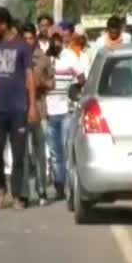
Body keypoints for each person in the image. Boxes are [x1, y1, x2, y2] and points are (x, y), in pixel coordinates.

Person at [0, 7, 38, 210]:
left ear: (4, 24)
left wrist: (32, 106)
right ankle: (1, 185)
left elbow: (30, 77)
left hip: (18, 108)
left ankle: (17, 195)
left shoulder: (22, 47)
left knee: (18, 153)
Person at [45, 32, 85, 201]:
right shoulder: (45, 59)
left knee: (66, 149)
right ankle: (59, 185)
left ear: (62, 43)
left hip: (66, 111)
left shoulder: (70, 57)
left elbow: (82, 78)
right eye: (52, 42)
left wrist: (74, 92)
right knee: (55, 152)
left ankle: (69, 187)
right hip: (48, 112)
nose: (55, 45)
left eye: (58, 42)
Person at [21, 23, 53, 205]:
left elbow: (52, 82)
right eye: (24, 39)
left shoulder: (43, 59)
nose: (27, 42)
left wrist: (41, 83)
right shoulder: (18, 57)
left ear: (35, 38)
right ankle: (25, 194)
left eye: (30, 38)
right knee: (24, 153)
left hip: (40, 110)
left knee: (40, 152)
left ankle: (42, 190)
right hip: (22, 110)